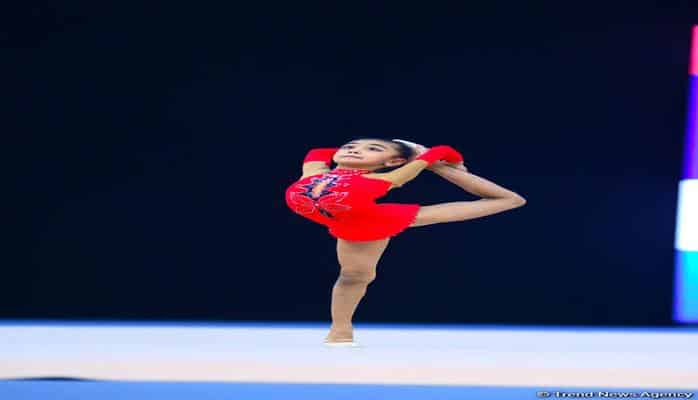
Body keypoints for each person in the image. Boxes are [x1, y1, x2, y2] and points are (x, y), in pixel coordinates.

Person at [284, 138, 526, 346]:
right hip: (348, 220)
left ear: (395, 162)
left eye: (374, 149)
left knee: (511, 200)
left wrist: (434, 161)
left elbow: (439, 152)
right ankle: (340, 331)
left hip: (371, 221)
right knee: (353, 277)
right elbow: (318, 150)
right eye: (350, 146)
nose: (355, 150)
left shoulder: (385, 179)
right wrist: (432, 155)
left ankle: (340, 331)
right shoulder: (314, 171)